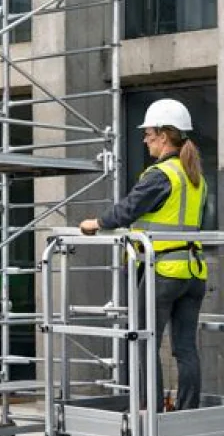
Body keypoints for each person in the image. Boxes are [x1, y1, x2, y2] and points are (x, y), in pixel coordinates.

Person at [80, 98, 207, 411]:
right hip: (193, 273)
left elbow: (128, 209)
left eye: (148, 133)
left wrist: (95, 223)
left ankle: (149, 410)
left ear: (164, 136)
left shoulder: (161, 174)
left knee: (144, 342)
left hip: (162, 272)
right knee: (185, 347)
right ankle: (187, 410)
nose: (144, 138)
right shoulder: (195, 177)